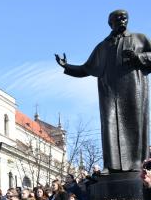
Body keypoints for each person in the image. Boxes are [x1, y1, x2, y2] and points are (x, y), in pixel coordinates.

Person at [56, 10, 151, 173]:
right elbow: (86, 68)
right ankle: (112, 166)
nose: (122, 20)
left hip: (133, 90)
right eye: (118, 18)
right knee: (109, 124)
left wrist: (138, 57)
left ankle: (137, 163)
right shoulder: (103, 46)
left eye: (124, 17)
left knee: (134, 124)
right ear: (110, 23)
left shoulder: (139, 38)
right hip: (109, 93)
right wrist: (67, 66)